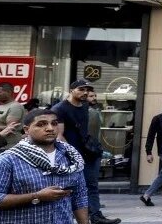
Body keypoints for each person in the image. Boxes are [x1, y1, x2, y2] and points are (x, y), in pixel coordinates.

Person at [0, 109, 89, 224]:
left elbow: (79, 196)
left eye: (54, 123)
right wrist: (36, 196)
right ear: (27, 130)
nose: (50, 128)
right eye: (41, 124)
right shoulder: (9, 160)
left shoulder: (71, 158)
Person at [52, 80, 119, 224]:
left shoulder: (85, 106)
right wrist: (72, 154)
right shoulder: (60, 109)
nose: (85, 93)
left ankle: (96, 216)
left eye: (87, 90)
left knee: (92, 185)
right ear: (71, 90)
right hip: (72, 155)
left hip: (89, 152)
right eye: (81, 89)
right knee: (71, 188)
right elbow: (59, 135)